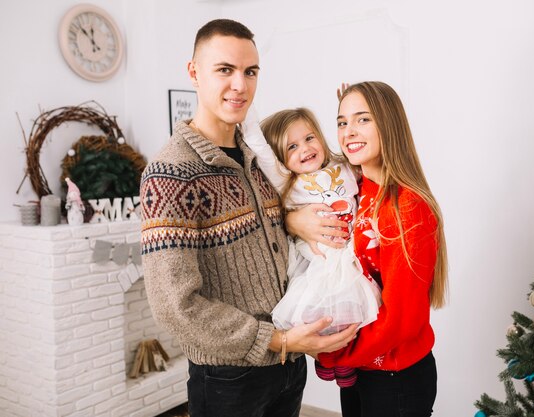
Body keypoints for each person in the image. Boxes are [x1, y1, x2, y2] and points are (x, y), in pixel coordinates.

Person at [139, 19, 358, 417]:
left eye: (250, 71)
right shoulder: (171, 172)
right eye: (225, 70)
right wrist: (278, 340)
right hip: (229, 377)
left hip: (289, 365)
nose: (240, 84)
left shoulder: (259, 161)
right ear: (194, 72)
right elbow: (175, 305)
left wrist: (292, 222)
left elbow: (274, 222)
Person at [287, 81, 449, 417]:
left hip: (396, 375)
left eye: (363, 119)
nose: (348, 132)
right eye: (342, 122)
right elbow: (308, 186)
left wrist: (331, 354)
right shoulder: (359, 188)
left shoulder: (407, 206)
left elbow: (401, 321)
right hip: (362, 370)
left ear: (388, 124)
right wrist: (293, 221)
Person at [241, 107, 382, 387]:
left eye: (309, 138)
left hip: (350, 252)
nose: (304, 149)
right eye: (292, 147)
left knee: (351, 307)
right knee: (320, 308)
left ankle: (345, 359)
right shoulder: (289, 182)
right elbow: (259, 147)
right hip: (321, 257)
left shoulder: (343, 168)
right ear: (281, 158)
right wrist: (245, 114)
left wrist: (348, 114)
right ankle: (327, 359)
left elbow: (366, 151)